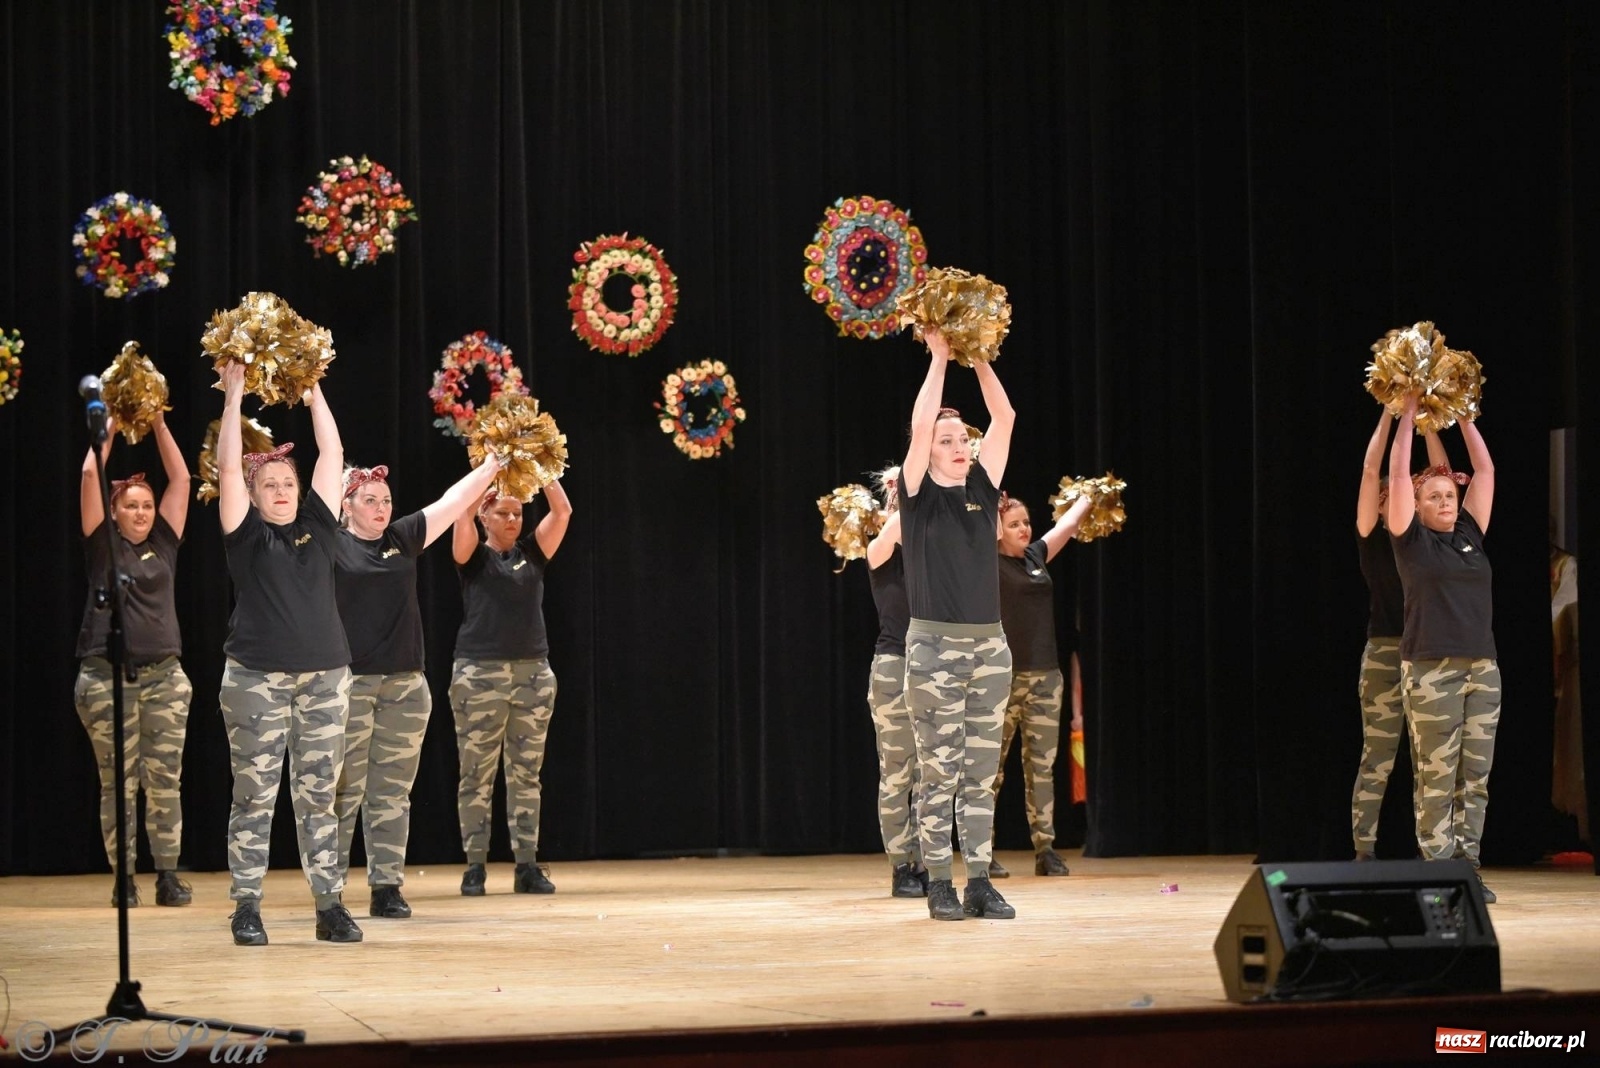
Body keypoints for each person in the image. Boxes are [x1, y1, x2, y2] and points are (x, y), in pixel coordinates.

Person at [216, 362, 360, 944]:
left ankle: (329, 906)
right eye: (268, 484)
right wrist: (234, 397)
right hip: (255, 678)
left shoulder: (320, 526)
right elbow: (227, 465)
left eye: (287, 483)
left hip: (326, 677)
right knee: (254, 793)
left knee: (319, 795)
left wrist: (313, 387)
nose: (280, 491)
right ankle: (247, 906)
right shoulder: (245, 533)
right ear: (253, 493)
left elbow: (332, 452)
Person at [328, 455, 503, 920]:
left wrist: (492, 464)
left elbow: (453, 502)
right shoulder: (329, 545)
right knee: (343, 793)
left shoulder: (402, 538)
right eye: (370, 500)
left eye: (385, 500)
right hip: (350, 685)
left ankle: (386, 886)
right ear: (346, 506)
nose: (381, 507)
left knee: (391, 792)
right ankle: (330, 891)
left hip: (405, 685)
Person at [898, 325, 1017, 921]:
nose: (959, 445)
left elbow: (1006, 415)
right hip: (934, 649)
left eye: (962, 438)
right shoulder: (916, 494)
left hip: (990, 649)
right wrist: (941, 357)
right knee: (937, 769)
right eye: (948, 439)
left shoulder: (981, 483)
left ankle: (980, 882)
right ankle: (939, 881)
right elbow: (921, 425)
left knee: (980, 773)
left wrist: (979, 356)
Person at [73, 411, 193, 908]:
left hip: (165, 677)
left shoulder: (164, 544)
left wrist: (161, 423)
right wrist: (115, 425)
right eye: (132, 506)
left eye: (147, 505)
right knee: (118, 783)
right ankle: (124, 876)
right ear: (115, 512)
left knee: (164, 780)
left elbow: (183, 479)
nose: (142, 513)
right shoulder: (104, 546)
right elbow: (87, 475)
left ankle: (167, 873)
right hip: (106, 677)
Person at [1385, 393, 1499, 902]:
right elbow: (1396, 473)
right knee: (1436, 775)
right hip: (1431, 670)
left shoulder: (1471, 532)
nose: (1446, 502)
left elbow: (1485, 469)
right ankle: (1436, 871)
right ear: (1416, 505)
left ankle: (1467, 870)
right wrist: (1408, 412)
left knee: (1474, 775)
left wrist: (1461, 413)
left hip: (1483, 667)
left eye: (1449, 495)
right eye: (1433, 497)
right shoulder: (1410, 541)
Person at [451, 477, 572, 896]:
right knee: (476, 774)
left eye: (517, 513)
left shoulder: (533, 554)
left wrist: (542, 470)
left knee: (526, 774)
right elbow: (459, 523)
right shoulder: (474, 556)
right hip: (478, 674)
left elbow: (563, 513)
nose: (510, 520)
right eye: (501, 512)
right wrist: (480, 490)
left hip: (532, 674)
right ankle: (475, 865)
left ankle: (526, 865)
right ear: (485, 515)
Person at [1351, 411, 1448, 861]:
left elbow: (1441, 475)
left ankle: (1432, 854)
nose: (1398, 496)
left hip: (1427, 653)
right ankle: (1364, 852)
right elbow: (1373, 470)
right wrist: (1394, 414)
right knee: (1379, 755)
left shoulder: (1423, 536)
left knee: (1428, 762)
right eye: (1392, 493)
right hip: (1386, 651)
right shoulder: (1373, 534)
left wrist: (1430, 420)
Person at [989, 490, 1092, 878]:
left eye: (1026, 523)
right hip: (1001, 681)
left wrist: (1088, 496)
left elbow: (1066, 526)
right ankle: (983, 853)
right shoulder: (986, 562)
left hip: (1046, 679)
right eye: (1013, 524)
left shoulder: (1035, 557)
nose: (1023, 529)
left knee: (1042, 768)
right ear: (997, 529)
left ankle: (1045, 848)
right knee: (990, 772)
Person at [864, 466, 926, 898]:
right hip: (893, 666)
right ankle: (901, 864)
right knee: (898, 774)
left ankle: (926, 862)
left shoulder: (931, 552)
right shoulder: (880, 549)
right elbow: (898, 524)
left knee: (931, 776)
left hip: (932, 665)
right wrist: (910, 484)